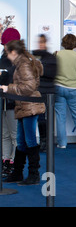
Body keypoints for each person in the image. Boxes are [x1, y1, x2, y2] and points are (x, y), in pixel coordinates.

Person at [1, 40, 46, 185]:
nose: (7, 56)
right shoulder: (23, 63)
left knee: (29, 140)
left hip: (29, 105)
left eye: (8, 52)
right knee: (21, 141)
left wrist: (9, 88)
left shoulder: (24, 64)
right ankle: (18, 173)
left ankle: (33, 174)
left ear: (14, 52)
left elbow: (29, 87)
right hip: (24, 106)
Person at [0, 28, 20, 178]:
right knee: (5, 134)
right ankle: (6, 161)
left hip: (13, 102)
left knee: (14, 135)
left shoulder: (18, 60)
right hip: (4, 103)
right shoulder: (4, 58)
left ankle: (13, 163)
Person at [32, 34, 57, 152]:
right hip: (39, 92)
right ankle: (43, 141)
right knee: (40, 118)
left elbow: (50, 74)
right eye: (39, 42)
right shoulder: (39, 57)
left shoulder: (51, 58)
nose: (40, 44)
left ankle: (47, 142)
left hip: (48, 92)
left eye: (42, 42)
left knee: (46, 119)